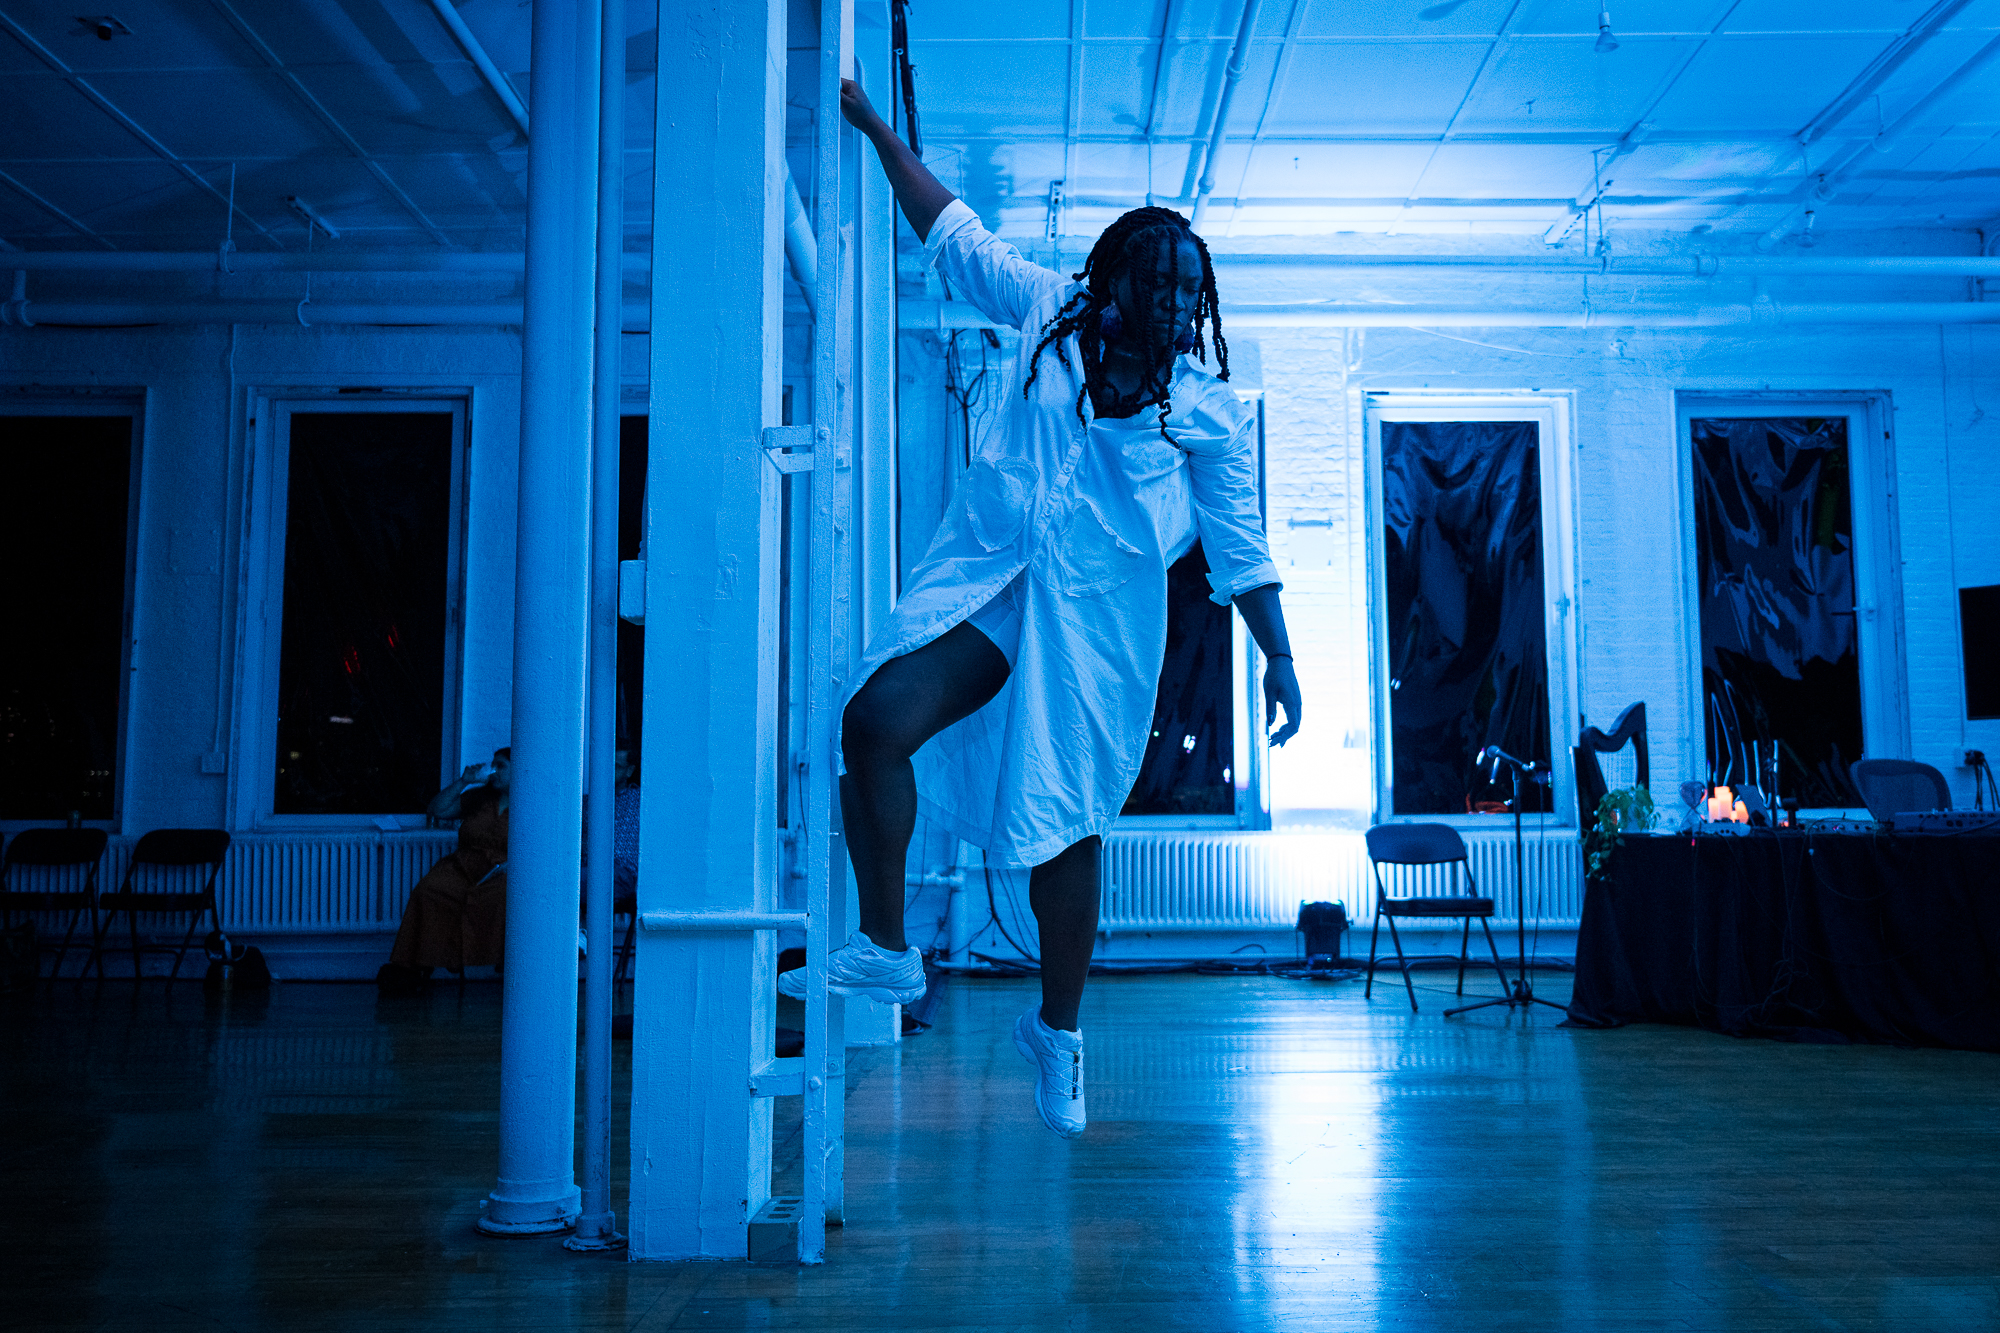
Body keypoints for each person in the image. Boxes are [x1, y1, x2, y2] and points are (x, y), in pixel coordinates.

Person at [776, 83, 1303, 1139]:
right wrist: (876, 130)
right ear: (1111, 279)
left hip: (1095, 630)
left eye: (1187, 289)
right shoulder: (1044, 315)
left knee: (1068, 817)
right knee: (872, 722)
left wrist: (1278, 657)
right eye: (1156, 281)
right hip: (990, 584)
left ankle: (1058, 1033)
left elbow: (1240, 547)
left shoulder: (1205, 412)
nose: (1172, 302)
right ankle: (887, 947)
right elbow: (952, 232)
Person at [377, 748, 511, 992]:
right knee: (430, 890)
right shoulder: (479, 798)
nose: (493, 771)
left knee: (502, 897)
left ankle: (506, 965)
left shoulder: (530, 806)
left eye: (501, 766)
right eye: (493, 765)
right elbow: (437, 810)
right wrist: (463, 781)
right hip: (463, 865)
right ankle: (413, 966)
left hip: (500, 872)